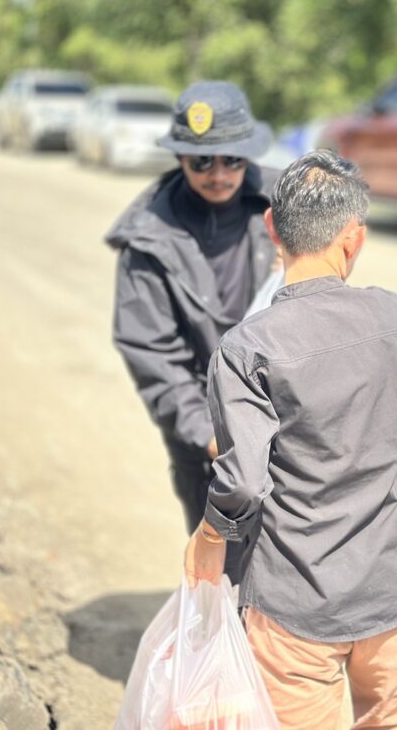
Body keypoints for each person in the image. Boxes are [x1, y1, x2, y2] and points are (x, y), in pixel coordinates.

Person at [184, 151, 397, 730]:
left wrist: (209, 535)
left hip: (296, 601)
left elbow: (244, 480)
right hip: (392, 591)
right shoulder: (393, 314)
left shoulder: (247, 348)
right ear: (355, 238)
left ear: (272, 228)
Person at [105, 80, 276, 582]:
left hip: (281, 420)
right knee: (222, 571)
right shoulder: (147, 238)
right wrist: (208, 434)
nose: (218, 174)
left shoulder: (285, 205)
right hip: (205, 438)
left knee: (290, 577)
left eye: (231, 159)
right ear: (180, 158)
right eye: (202, 162)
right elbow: (152, 352)